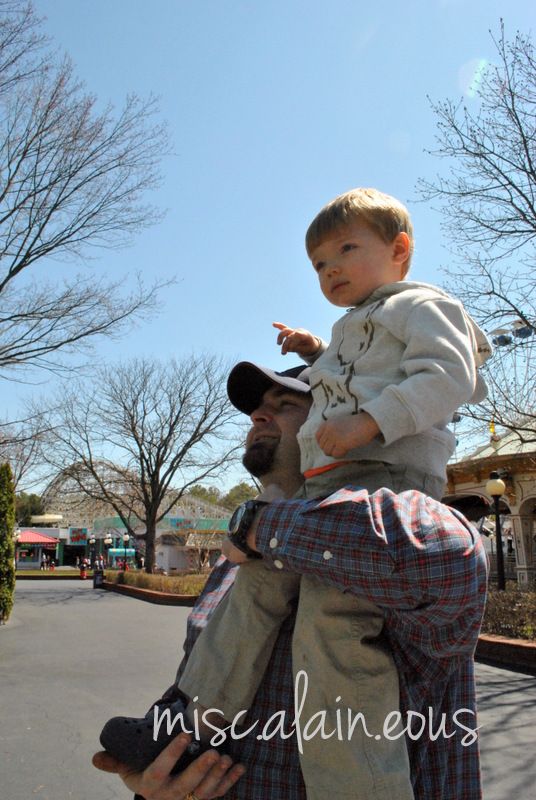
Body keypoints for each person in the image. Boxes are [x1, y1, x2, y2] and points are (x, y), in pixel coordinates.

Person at [173, 188, 491, 797]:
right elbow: (347, 375)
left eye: (284, 403)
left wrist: (365, 426)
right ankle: (185, 727)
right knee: (250, 602)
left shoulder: (424, 305)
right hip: (323, 490)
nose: (331, 269)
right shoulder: (238, 560)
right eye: (319, 264)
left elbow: (450, 376)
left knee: (333, 628)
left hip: (382, 475)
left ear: (400, 251)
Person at [95, 362, 487, 800]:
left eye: (284, 405)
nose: (258, 418)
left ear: (344, 422)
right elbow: (191, 689)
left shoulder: (413, 522)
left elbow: (444, 553)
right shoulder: (234, 565)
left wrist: (260, 523)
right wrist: (156, 779)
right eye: (256, 411)